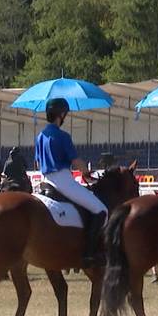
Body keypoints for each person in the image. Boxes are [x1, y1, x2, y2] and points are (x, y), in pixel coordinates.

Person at [36, 98, 106, 267]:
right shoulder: (62, 135)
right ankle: (89, 254)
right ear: (61, 114)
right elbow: (75, 161)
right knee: (101, 210)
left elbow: (37, 163)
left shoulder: (40, 136)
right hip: (62, 180)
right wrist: (86, 173)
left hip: (45, 180)